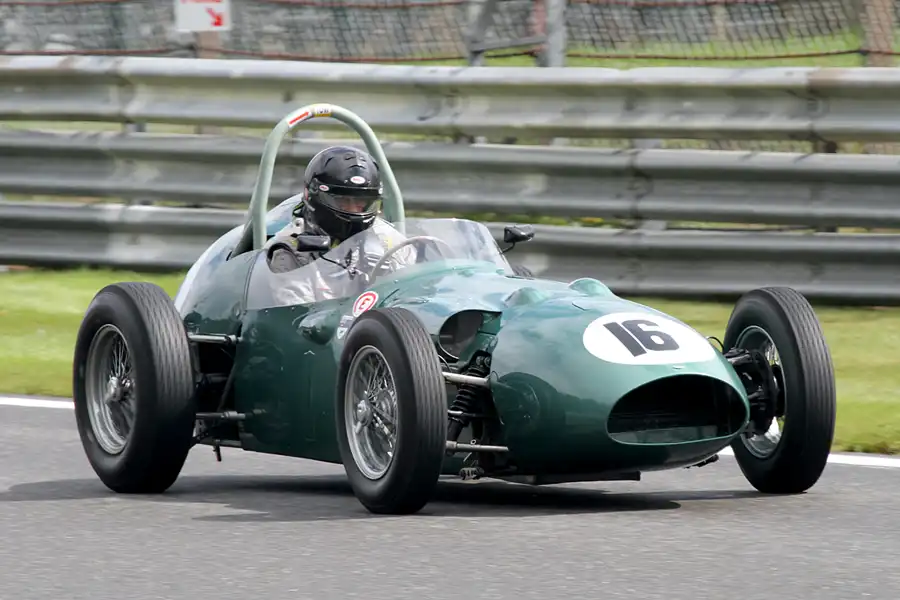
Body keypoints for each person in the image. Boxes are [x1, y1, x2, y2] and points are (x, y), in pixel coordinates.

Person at [264, 145, 414, 303]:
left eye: (361, 202)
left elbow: (413, 296)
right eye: (342, 201)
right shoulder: (290, 250)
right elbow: (298, 320)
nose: (353, 210)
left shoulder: (389, 240)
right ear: (312, 195)